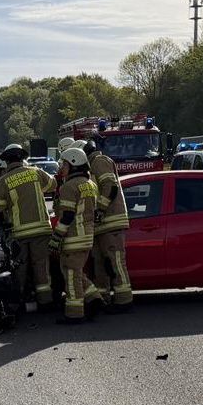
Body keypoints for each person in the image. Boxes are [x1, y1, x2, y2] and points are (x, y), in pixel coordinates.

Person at [0, 144, 54, 310]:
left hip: (20, 233)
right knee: (41, 266)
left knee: (21, 268)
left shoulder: (3, 181)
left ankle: (19, 302)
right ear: (22, 159)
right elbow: (52, 185)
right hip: (42, 230)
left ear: (7, 161)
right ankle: (45, 301)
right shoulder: (36, 172)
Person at [52, 147, 103, 322]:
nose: (62, 168)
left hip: (73, 237)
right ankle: (94, 297)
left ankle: (74, 314)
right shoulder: (90, 185)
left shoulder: (69, 186)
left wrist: (56, 238)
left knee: (72, 276)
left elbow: (67, 215)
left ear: (73, 163)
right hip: (87, 237)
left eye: (64, 164)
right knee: (76, 271)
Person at [86, 136, 133, 310]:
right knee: (100, 263)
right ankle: (103, 298)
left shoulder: (99, 161)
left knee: (115, 262)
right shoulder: (92, 164)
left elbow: (110, 186)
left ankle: (124, 300)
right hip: (101, 226)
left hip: (111, 222)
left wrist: (100, 210)